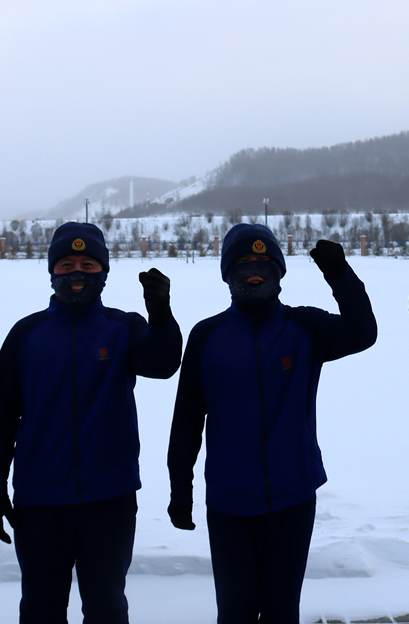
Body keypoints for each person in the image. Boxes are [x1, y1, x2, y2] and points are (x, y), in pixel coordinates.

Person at [167, 224, 377, 623]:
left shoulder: (306, 329)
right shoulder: (207, 337)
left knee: (282, 612)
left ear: (279, 271)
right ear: (228, 274)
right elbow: (188, 417)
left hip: (293, 497)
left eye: (263, 262)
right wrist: (182, 487)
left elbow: (363, 333)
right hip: (230, 502)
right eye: (242, 263)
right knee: (235, 612)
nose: (254, 271)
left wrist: (340, 275)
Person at [0, 222, 182, 624]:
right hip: (40, 502)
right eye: (68, 263)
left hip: (110, 499)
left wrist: (160, 317)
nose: (78, 273)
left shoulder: (124, 328)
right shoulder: (26, 334)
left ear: (104, 272)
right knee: (41, 609)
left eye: (88, 263)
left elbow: (162, 365)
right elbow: (2, 419)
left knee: (106, 607)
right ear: (52, 271)